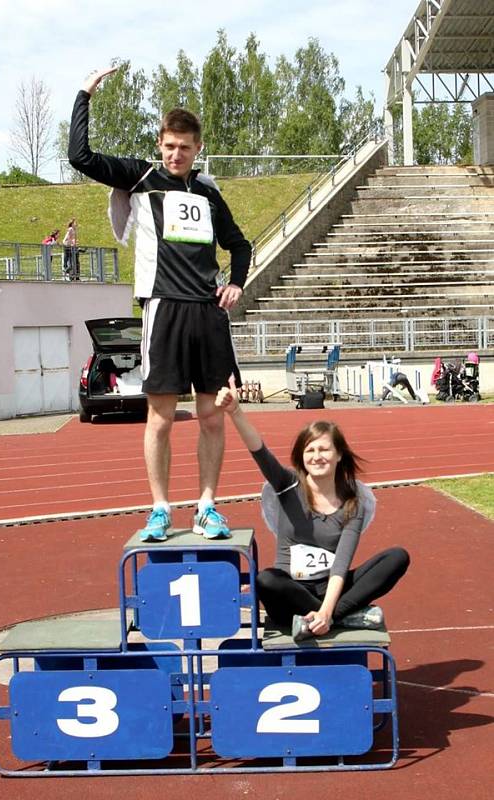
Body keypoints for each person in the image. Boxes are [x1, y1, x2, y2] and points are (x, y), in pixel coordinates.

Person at [68, 67, 252, 543]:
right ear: (160, 143)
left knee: (212, 416)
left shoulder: (208, 191)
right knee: (161, 417)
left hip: (207, 314)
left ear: (197, 148)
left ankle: (208, 506)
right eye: (169, 145)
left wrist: (236, 284)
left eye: (185, 147)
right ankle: (159, 509)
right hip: (164, 309)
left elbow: (240, 244)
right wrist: (84, 94)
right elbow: (80, 155)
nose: (176, 154)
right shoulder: (142, 176)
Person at [215, 378, 410, 641]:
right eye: (310, 450)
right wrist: (235, 412)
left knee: (396, 557)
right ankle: (345, 617)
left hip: (331, 590)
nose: (317, 456)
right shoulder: (286, 484)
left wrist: (328, 610)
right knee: (266, 580)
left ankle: (330, 618)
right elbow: (259, 451)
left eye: (324, 449)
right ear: (301, 456)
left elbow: (341, 564)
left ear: (339, 455)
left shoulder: (353, 502)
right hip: (289, 594)